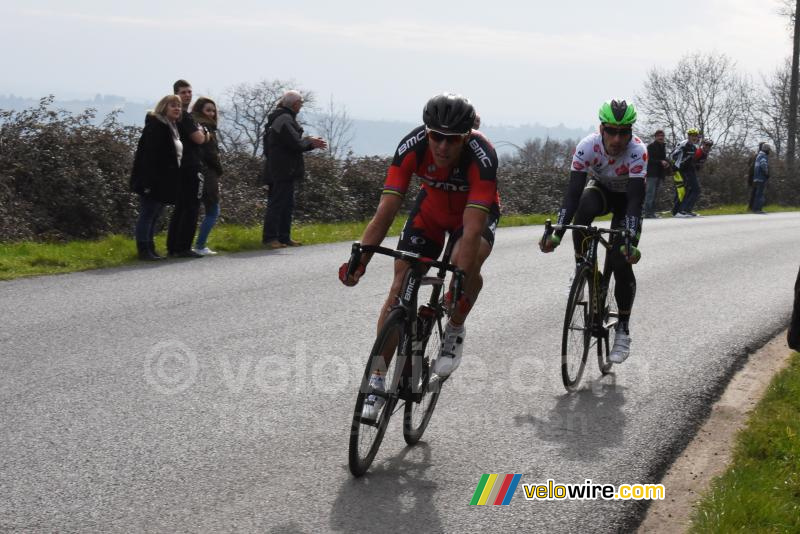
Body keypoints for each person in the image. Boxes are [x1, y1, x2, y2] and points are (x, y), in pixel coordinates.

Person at [338, 93, 500, 419]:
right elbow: (386, 210)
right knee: (400, 285)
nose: (442, 146)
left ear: (465, 137)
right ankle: (377, 379)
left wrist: (459, 276)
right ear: (427, 132)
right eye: (436, 136)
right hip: (430, 214)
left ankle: (454, 328)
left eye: (451, 139)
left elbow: (471, 231)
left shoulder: (482, 156)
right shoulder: (412, 145)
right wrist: (362, 258)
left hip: (472, 217)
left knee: (466, 262)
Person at [539, 99, 645, 364]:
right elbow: (572, 196)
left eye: (624, 132)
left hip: (626, 204)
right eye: (611, 131)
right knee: (584, 207)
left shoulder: (637, 151)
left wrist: (630, 240)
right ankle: (582, 267)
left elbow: (634, 201)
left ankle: (622, 329)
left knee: (621, 264)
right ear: (601, 129)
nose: (617, 138)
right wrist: (558, 233)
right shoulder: (588, 147)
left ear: (630, 132)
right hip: (601, 193)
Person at [261, 90, 327, 249]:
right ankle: (270, 238)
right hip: (282, 169)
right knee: (277, 204)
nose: (301, 105)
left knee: (287, 204)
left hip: (282, 168)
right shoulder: (284, 119)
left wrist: (308, 141)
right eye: (301, 103)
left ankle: (284, 237)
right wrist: (310, 142)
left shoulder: (282, 117)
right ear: (295, 103)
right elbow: (295, 143)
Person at [130, 95, 182, 260]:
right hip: (152, 180)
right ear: (164, 107)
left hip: (164, 180)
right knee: (148, 213)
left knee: (155, 214)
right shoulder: (157, 127)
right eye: (173, 105)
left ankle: (150, 247)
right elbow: (149, 157)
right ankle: (143, 249)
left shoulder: (171, 126)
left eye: (178, 106)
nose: (177, 109)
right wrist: (148, 182)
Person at [167, 79, 209, 258]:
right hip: (190, 165)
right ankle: (183, 246)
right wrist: (207, 135)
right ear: (176, 93)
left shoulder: (176, 116)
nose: (187, 95)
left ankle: (174, 246)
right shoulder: (185, 116)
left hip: (181, 165)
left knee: (181, 206)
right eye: (183, 92)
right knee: (191, 206)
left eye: (189, 92)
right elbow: (199, 138)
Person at [191, 97, 223, 255]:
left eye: (213, 110)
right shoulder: (205, 128)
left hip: (206, 172)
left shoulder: (203, 127)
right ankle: (200, 245)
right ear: (200, 111)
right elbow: (210, 155)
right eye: (208, 110)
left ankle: (197, 244)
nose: (211, 113)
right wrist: (219, 169)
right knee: (213, 210)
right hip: (208, 173)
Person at [670, 128, 701, 217]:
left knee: (694, 189)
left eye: (696, 136)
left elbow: (691, 160)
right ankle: (677, 211)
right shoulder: (683, 144)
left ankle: (686, 210)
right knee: (681, 190)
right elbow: (673, 155)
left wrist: (695, 166)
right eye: (692, 136)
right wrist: (674, 167)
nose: (694, 138)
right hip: (678, 170)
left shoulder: (694, 147)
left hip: (688, 170)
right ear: (688, 136)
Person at [643, 129, 670, 218]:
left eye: (662, 136)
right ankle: (647, 213)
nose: (660, 137)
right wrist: (660, 162)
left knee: (655, 194)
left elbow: (663, 158)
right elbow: (648, 159)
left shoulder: (663, 146)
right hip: (651, 174)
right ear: (655, 137)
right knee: (650, 194)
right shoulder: (650, 146)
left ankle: (652, 212)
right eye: (659, 136)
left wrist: (666, 162)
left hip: (660, 174)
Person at [751, 143, 771, 214]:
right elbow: (763, 164)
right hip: (761, 178)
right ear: (766, 149)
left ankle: (754, 209)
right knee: (760, 194)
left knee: (757, 194)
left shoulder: (758, 155)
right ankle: (758, 209)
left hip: (756, 177)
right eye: (769, 149)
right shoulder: (763, 156)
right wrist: (766, 173)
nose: (769, 151)